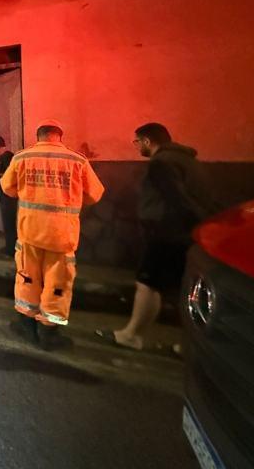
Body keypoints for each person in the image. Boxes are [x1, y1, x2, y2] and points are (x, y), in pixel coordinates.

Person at [99, 123, 218, 351]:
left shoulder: (161, 163)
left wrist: (194, 221)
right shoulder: (189, 161)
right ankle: (186, 344)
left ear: (147, 141)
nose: (136, 147)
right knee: (182, 289)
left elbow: (177, 199)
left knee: (147, 283)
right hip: (186, 235)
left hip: (166, 234)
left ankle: (132, 335)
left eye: (136, 142)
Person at [1, 119, 105, 350]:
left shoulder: (22, 157)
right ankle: (49, 332)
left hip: (29, 232)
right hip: (61, 235)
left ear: (38, 137)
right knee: (57, 283)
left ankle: (26, 324)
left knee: (27, 278)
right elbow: (95, 194)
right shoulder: (77, 160)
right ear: (59, 137)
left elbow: (7, 187)